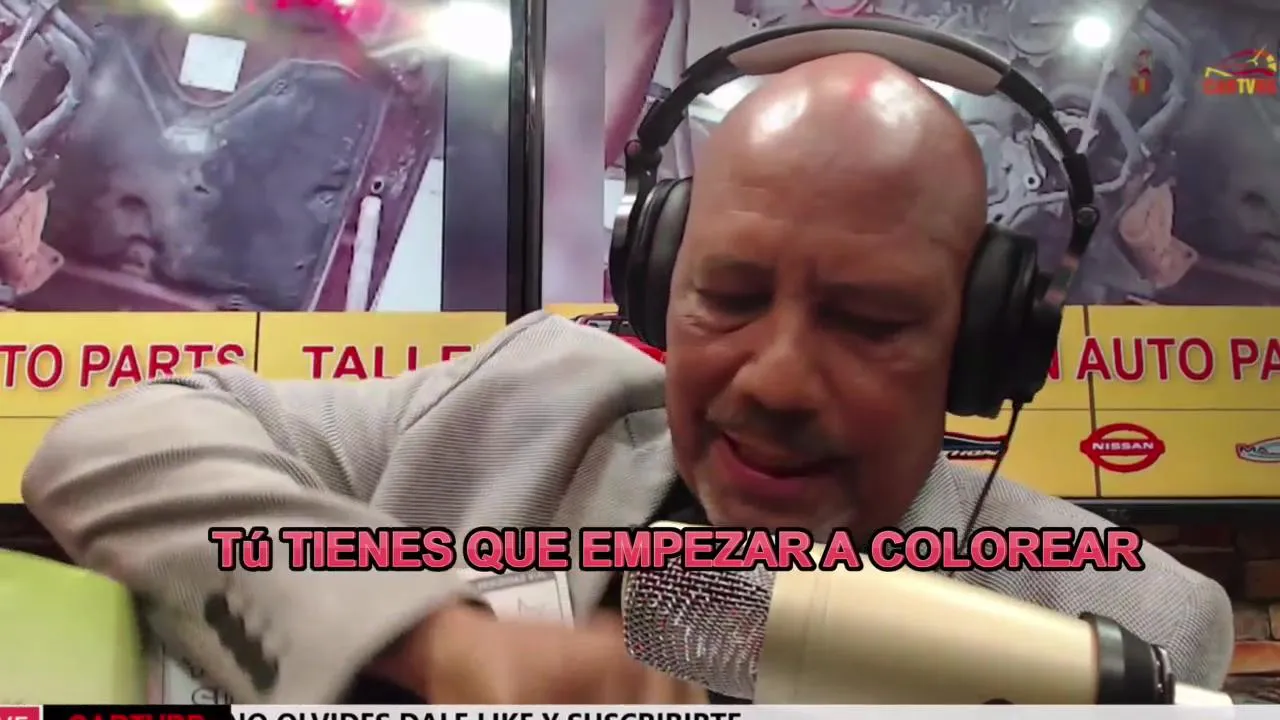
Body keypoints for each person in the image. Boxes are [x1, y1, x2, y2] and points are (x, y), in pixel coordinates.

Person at [21, 54, 1233, 704]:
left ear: (979, 349)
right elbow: (116, 445)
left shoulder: (1122, 628)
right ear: (657, 285)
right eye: (730, 297)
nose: (774, 378)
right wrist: (438, 639)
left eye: (867, 323)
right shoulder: (523, 401)